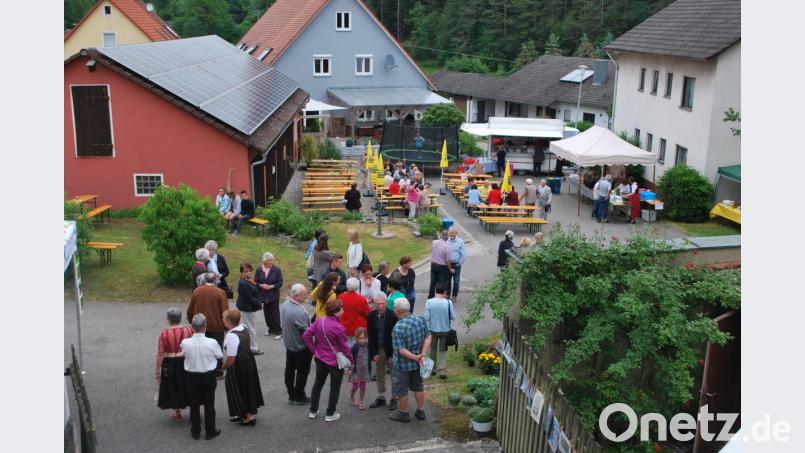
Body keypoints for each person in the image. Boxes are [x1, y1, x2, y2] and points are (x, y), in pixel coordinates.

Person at [303, 299, 354, 422]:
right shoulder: (338, 327)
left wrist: (314, 350)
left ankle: (313, 410)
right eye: (341, 309)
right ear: (336, 312)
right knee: (334, 387)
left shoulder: (320, 320)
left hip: (320, 358)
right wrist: (351, 361)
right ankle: (330, 413)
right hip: (335, 362)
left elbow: (306, 335)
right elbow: (345, 348)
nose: (343, 311)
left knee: (318, 384)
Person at [180, 314, 223, 440]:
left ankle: (195, 431)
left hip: (191, 376)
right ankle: (210, 431)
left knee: (194, 405)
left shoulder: (185, 342)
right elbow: (219, 355)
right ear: (205, 327)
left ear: (192, 327)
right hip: (208, 376)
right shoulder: (212, 342)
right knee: (209, 404)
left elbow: (182, 353)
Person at [389, 298, 432, 423]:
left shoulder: (398, 328)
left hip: (402, 365)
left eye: (394, 308)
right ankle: (420, 410)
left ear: (397, 310)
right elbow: (428, 337)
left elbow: (401, 350)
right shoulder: (420, 319)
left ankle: (404, 413)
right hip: (419, 364)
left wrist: (416, 357)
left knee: (402, 389)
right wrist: (422, 355)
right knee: (418, 386)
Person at [221, 309, 264, 426]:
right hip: (248, 360)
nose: (222, 320)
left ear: (228, 321)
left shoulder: (231, 336)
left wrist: (223, 367)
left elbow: (231, 358)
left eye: (223, 318)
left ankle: (248, 416)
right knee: (247, 386)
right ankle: (244, 413)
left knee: (238, 389)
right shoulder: (244, 327)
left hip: (238, 365)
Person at [156, 307, 193, 422]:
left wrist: (158, 369)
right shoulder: (188, 330)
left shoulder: (164, 334)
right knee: (186, 384)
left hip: (170, 362)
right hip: (185, 361)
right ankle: (192, 408)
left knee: (173, 386)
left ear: (168, 319)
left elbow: (161, 353)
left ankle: (177, 412)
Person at [281, 284, 313, 405]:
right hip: (301, 348)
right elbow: (307, 333)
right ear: (296, 296)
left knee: (289, 370)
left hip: (289, 345)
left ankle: (291, 395)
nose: (306, 296)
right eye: (304, 295)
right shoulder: (299, 312)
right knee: (302, 372)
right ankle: (299, 396)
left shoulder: (285, 304)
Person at [367, 293, 398, 410]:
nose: (380, 306)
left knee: (395, 374)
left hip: (391, 349)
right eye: (378, 304)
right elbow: (371, 336)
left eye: (382, 303)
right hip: (378, 348)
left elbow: (395, 337)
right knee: (380, 373)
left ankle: (394, 398)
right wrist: (373, 353)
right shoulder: (370, 316)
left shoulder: (393, 316)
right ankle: (381, 397)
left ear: (386, 303)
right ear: (374, 304)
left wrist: (392, 354)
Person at [187, 272, 228, 352]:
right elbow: (225, 311)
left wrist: (191, 320)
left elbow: (190, 308)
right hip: (216, 327)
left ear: (205, 279)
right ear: (215, 280)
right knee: (216, 350)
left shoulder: (197, 291)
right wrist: (226, 326)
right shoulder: (220, 292)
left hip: (199, 326)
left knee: (201, 350)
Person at [423, 283, 455, 379]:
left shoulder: (429, 302)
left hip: (433, 330)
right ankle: (442, 369)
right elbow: (453, 317)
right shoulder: (448, 303)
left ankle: (432, 369)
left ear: (436, 290)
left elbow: (426, 317)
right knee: (442, 349)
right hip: (445, 330)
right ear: (445, 291)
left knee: (433, 349)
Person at [235, 263, 263, 355]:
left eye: (250, 270)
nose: (248, 272)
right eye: (245, 271)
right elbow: (249, 298)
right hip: (247, 308)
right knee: (251, 329)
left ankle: (247, 346)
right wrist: (259, 304)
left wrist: (256, 284)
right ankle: (253, 348)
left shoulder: (249, 280)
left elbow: (254, 290)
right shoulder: (243, 283)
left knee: (248, 327)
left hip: (248, 307)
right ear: (241, 273)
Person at [255, 252, 283, 339]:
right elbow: (256, 282)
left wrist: (271, 286)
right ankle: (271, 329)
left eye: (271, 260)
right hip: (263, 295)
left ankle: (278, 331)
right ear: (264, 261)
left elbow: (280, 283)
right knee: (267, 313)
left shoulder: (277, 269)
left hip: (273, 295)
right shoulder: (259, 270)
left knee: (275, 314)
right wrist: (260, 285)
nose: (270, 262)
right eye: (268, 260)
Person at [339, 278, 371, 345]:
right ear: (357, 287)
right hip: (359, 329)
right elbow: (368, 314)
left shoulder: (340, 297)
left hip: (344, 327)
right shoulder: (361, 299)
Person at [348, 328, 371, 410]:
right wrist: (350, 370)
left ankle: (361, 401)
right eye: (360, 338)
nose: (362, 340)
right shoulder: (354, 348)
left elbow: (370, 357)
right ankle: (352, 397)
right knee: (354, 387)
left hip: (364, 371)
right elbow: (350, 359)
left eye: (364, 338)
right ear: (356, 338)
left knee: (363, 387)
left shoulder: (368, 346)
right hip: (356, 371)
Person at [428, 231, 453, 300]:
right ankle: (440, 297)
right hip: (442, 267)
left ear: (441, 235)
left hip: (433, 265)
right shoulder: (447, 246)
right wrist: (450, 269)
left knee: (433, 282)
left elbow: (430, 250)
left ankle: (430, 297)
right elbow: (447, 260)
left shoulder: (434, 242)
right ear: (447, 237)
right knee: (442, 283)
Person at [446, 226, 465, 302]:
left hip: (456, 265)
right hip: (448, 264)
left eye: (452, 233)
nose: (451, 234)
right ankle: (447, 295)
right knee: (447, 281)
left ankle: (454, 296)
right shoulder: (446, 241)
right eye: (450, 232)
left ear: (456, 233)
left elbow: (463, 254)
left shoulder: (460, 242)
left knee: (456, 281)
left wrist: (459, 263)